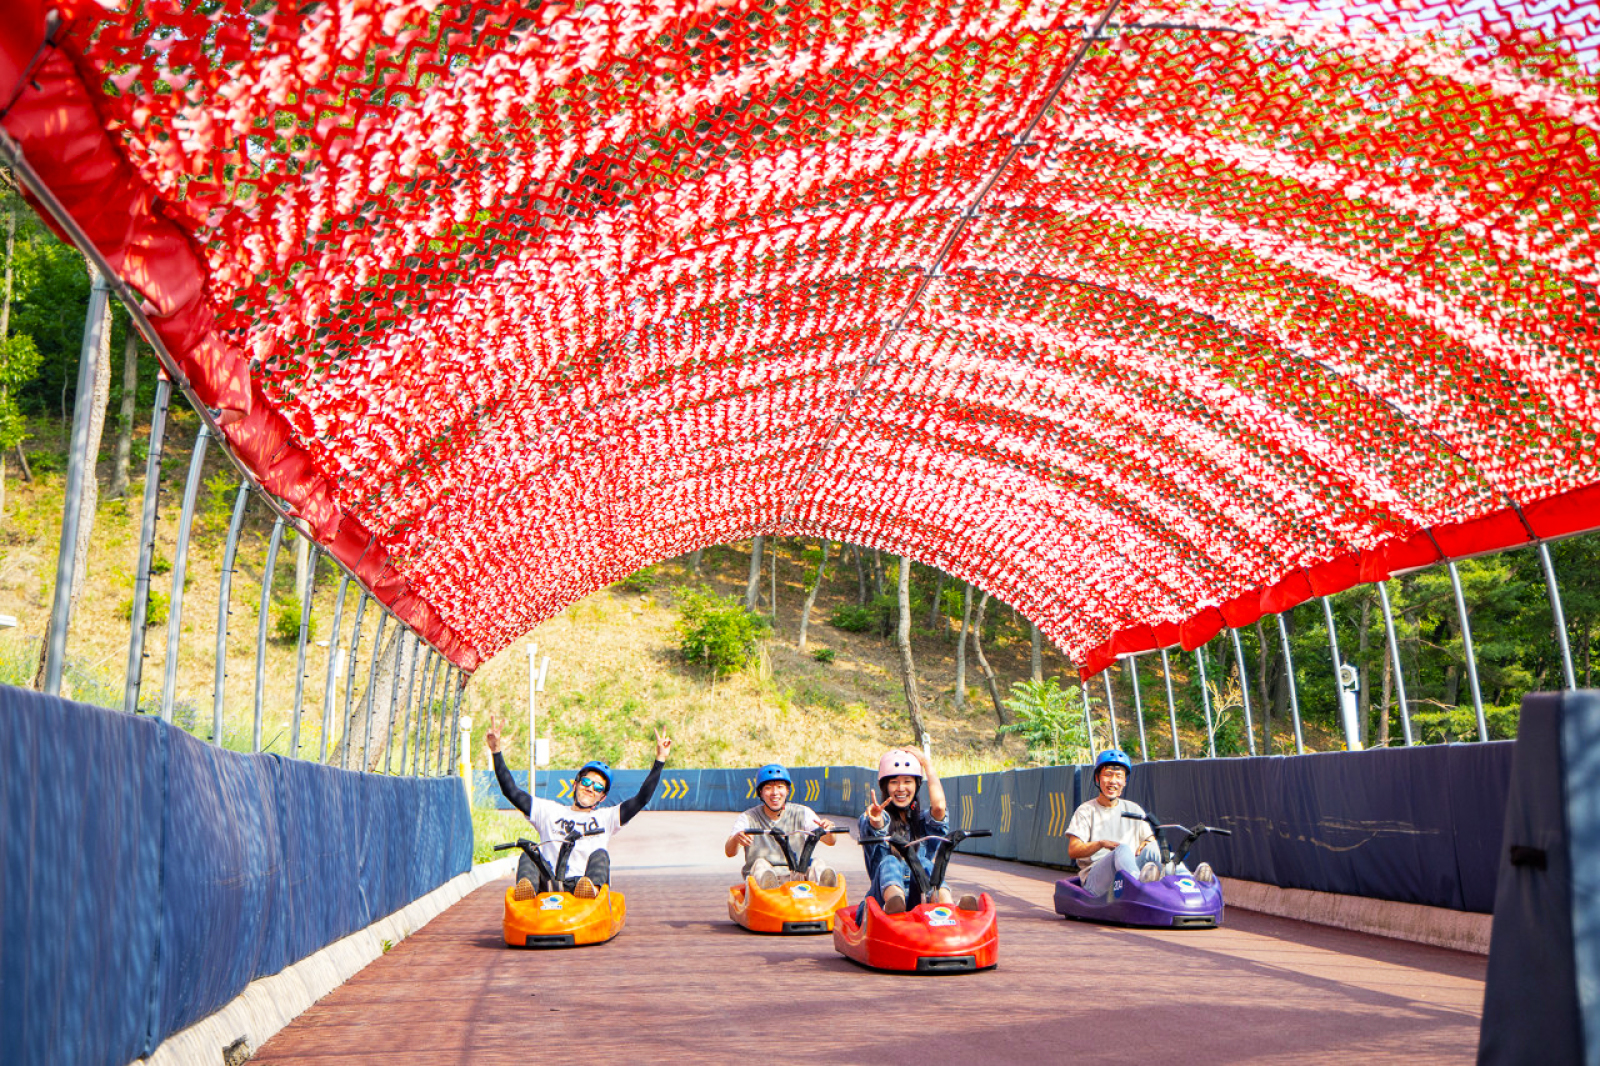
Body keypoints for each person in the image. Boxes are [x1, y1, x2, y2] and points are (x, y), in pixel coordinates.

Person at [486, 713, 671, 901]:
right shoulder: (549, 811)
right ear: (575, 785)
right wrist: (496, 751)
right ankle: (527, 896)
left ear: (602, 797)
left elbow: (642, 799)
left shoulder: (606, 818)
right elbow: (511, 792)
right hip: (548, 884)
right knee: (529, 854)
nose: (590, 788)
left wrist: (660, 760)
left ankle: (592, 891)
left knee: (600, 855)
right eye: (586, 782)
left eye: (598, 787)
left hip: (580, 886)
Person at [1066, 748, 1214, 898]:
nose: (1113, 781)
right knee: (1122, 849)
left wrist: (1148, 842)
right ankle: (1139, 885)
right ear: (1098, 779)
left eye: (1118, 776)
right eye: (1108, 775)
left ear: (1124, 781)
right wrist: (1100, 844)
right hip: (1095, 879)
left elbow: (1149, 839)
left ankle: (1189, 882)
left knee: (1154, 849)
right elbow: (1073, 850)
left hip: (1127, 872)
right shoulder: (1086, 810)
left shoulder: (1134, 809)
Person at [859, 748, 978, 915]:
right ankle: (894, 903)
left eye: (907, 781)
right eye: (894, 782)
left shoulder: (922, 822)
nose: (901, 788)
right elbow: (877, 827)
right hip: (879, 907)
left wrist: (927, 765)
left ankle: (946, 904)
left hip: (920, 902)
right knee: (890, 861)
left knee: (925, 863)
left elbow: (939, 807)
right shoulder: (871, 817)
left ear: (916, 785)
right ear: (885, 786)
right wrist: (876, 819)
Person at [726, 763, 842, 889]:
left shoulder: (802, 813)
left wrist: (829, 831)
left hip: (797, 874)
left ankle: (825, 891)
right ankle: (769, 887)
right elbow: (729, 852)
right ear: (760, 792)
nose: (775, 793)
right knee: (760, 864)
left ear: (787, 791)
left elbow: (830, 841)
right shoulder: (748, 818)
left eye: (780, 787)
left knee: (817, 863)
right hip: (763, 882)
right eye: (768, 788)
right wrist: (737, 838)